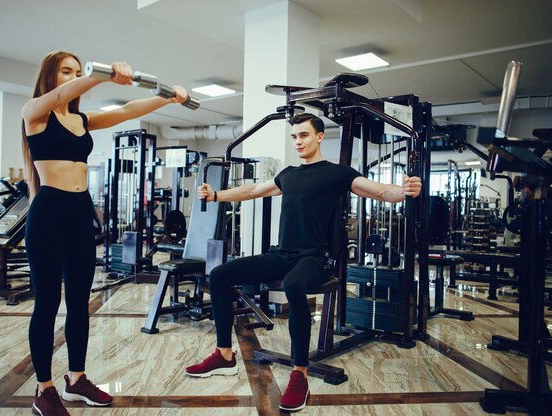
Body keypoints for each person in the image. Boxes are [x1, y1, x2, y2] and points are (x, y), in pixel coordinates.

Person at [186, 113, 422, 412]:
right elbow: (252, 190)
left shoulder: (338, 173)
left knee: (294, 285)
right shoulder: (288, 174)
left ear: (319, 136)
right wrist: (216, 195)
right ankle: (224, 354)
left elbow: (379, 190)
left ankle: (300, 373)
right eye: (295, 136)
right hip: (281, 254)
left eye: (304, 135)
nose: (298, 141)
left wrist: (404, 191)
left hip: (314, 258)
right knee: (220, 274)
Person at [22, 50, 187, 416]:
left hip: (80, 215)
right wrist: (104, 75)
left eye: (77, 72)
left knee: (79, 302)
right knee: (48, 303)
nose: (72, 77)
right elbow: (61, 97)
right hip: (48, 213)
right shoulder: (35, 111)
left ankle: (76, 379)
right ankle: (43, 388)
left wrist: (165, 97)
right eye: (66, 71)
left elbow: (127, 112)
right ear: (50, 76)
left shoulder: (82, 119)